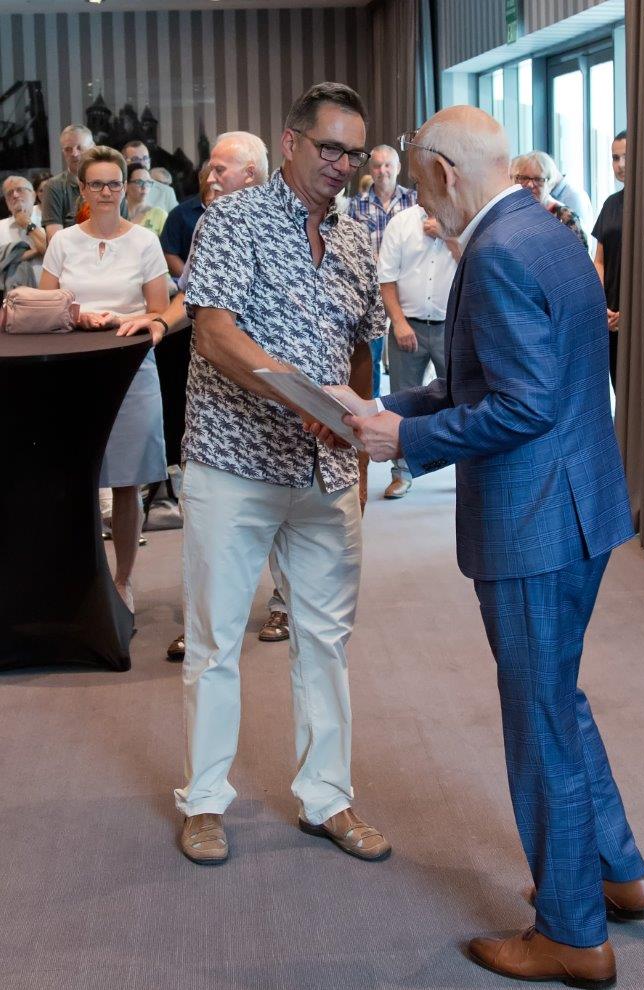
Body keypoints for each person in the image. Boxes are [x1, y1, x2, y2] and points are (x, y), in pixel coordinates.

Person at [324, 106, 644, 989]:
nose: (420, 205)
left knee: (540, 716)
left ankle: (572, 933)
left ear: (441, 171)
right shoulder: (543, 230)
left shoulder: (498, 251)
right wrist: (385, 411)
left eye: (418, 185)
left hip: (536, 523)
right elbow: (488, 383)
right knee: (559, 700)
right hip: (579, 507)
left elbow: (522, 406)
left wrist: (407, 441)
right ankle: (619, 873)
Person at [174, 82, 389, 867]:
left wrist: (353, 441)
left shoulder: (358, 239)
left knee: (326, 641)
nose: (342, 164)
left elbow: (362, 351)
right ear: (292, 142)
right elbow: (213, 332)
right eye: (329, 147)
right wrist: (301, 396)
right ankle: (204, 801)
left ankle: (327, 797)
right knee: (215, 640)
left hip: (325, 472)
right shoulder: (233, 219)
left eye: (353, 153)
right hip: (234, 462)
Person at [118, 130, 272, 661]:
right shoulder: (207, 222)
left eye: (220, 168)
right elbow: (194, 297)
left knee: (279, 508)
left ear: (250, 173)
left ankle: (282, 603)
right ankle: (203, 623)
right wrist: (161, 322)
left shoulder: (286, 221)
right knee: (208, 514)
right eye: (210, 167)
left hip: (271, 393)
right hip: (215, 398)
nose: (209, 176)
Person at [40, 146, 169, 614]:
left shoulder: (144, 242)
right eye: (97, 184)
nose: (108, 192)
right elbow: (45, 308)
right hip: (73, 369)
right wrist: (78, 315)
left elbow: (159, 311)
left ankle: (123, 579)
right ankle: (84, 580)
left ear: (125, 187)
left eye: (115, 183)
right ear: (83, 190)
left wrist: (119, 319)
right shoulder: (63, 242)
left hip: (129, 366)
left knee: (126, 481)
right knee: (77, 479)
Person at [377, 205, 458, 498]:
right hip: (407, 325)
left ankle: (467, 473)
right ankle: (402, 474)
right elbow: (386, 279)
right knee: (402, 401)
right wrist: (398, 323)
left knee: (462, 399)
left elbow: (473, 262)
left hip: (452, 326)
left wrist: (449, 236)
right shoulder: (401, 223)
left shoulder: (461, 220)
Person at [347, 145, 417, 398]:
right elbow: (348, 245)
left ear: (398, 168)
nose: (382, 170)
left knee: (410, 356)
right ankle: (373, 406)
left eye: (388, 165)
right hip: (370, 290)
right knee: (371, 355)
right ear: (370, 170)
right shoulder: (356, 205)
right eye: (377, 165)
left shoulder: (415, 201)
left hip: (407, 288)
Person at [593, 131, 626, 387]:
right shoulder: (611, 204)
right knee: (619, 388)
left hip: (643, 318)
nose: (620, 165)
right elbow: (600, 261)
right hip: (610, 315)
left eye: (627, 157)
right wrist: (600, 304)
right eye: (615, 158)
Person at [512, 151, 588, 248]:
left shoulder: (565, 218)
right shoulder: (512, 215)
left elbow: (580, 255)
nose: (530, 185)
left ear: (550, 183)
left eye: (538, 179)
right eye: (524, 178)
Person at [42, 123, 94, 240]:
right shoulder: (54, 187)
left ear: (93, 147)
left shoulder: (109, 183)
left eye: (79, 147)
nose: (74, 154)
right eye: (68, 149)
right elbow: (55, 239)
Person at [0, 176, 47, 289]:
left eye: (20, 190)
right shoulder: (1, 227)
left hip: (50, 293)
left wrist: (27, 224)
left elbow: (54, 252)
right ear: (6, 202)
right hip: (12, 295)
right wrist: (36, 251)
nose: (15, 195)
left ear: (33, 195)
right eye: (9, 193)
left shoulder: (48, 221)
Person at [121, 140, 178, 214]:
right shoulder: (115, 189)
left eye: (145, 158)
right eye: (135, 159)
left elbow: (177, 219)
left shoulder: (166, 192)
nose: (142, 163)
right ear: (123, 162)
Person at [125, 162, 168, 236]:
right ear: (126, 185)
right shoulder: (115, 213)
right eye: (139, 182)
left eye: (148, 182)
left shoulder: (160, 215)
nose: (144, 187)